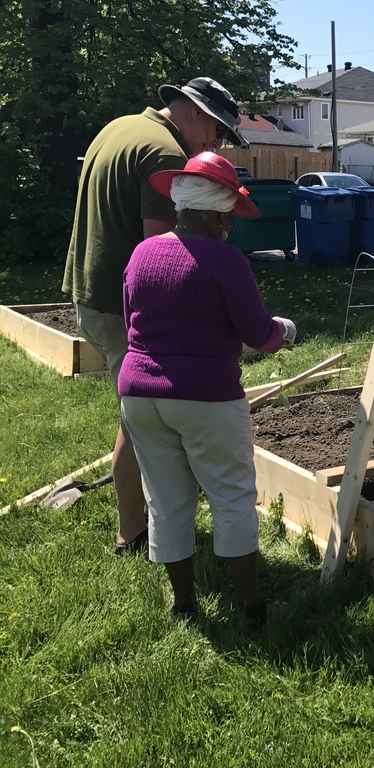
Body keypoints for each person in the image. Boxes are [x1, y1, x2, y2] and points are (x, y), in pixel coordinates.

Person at [62, 77, 248, 554]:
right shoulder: (167, 155)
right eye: (218, 132)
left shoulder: (121, 127)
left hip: (90, 294)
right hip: (124, 306)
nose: (216, 143)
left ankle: (150, 519)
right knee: (140, 419)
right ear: (198, 113)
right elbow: (169, 256)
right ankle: (133, 531)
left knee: (138, 413)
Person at [118, 152, 295, 624]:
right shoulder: (226, 261)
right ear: (213, 211)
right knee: (232, 495)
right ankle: (250, 607)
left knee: (166, 499)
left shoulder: (143, 253)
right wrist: (284, 331)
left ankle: (183, 605)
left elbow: (132, 318)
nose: (232, 226)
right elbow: (258, 334)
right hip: (205, 397)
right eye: (229, 216)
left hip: (139, 394)